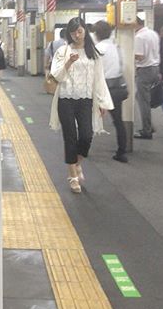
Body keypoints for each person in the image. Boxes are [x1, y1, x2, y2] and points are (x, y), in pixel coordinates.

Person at [49, 17, 114, 193]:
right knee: (70, 136)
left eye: (79, 31)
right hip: (66, 98)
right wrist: (69, 62)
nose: (76, 35)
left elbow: (99, 79)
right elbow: (56, 76)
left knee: (86, 135)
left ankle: (77, 163)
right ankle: (72, 176)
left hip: (85, 99)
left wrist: (102, 102)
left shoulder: (93, 52)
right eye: (73, 32)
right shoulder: (63, 51)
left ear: (85, 30)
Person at [93, 21, 128, 163]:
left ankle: (82, 149)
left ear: (96, 34)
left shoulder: (98, 48)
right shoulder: (116, 47)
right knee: (118, 121)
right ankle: (122, 152)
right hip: (117, 87)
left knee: (89, 119)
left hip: (102, 88)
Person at [133, 16, 160, 139]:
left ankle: (147, 130)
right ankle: (150, 125)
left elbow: (139, 56)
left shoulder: (139, 37)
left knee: (143, 101)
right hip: (155, 68)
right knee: (141, 97)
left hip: (144, 70)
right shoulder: (153, 33)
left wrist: (128, 53)